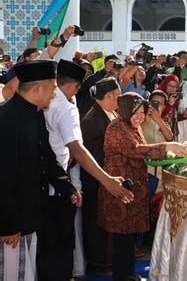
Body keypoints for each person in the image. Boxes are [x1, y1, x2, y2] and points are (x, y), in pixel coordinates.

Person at [41, 60, 133, 280]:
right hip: (59, 182)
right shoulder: (65, 107)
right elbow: (78, 151)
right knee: (60, 243)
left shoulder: (49, 102)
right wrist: (108, 180)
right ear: (74, 86)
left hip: (44, 178)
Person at [0, 60, 82, 280]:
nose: (54, 95)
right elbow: (4, 177)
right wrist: (9, 225)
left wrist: (67, 187)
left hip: (31, 216)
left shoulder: (35, 114)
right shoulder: (7, 119)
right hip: (13, 226)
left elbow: (46, 156)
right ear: (37, 89)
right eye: (53, 89)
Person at [97, 92, 187, 280]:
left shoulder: (132, 127)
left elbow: (145, 152)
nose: (140, 116)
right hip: (120, 192)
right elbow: (136, 150)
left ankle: (129, 274)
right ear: (124, 110)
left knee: (129, 238)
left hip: (133, 192)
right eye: (135, 112)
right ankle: (122, 276)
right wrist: (168, 147)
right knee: (121, 240)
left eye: (142, 111)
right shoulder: (117, 127)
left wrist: (169, 153)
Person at [80, 77, 125, 276]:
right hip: (97, 181)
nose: (120, 99)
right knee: (96, 224)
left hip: (109, 180)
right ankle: (98, 265)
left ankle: (108, 261)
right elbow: (95, 157)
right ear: (108, 96)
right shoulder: (92, 121)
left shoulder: (110, 114)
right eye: (118, 96)